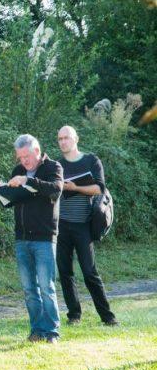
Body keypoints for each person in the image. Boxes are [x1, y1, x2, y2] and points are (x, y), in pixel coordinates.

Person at [56, 126, 118, 326]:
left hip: (83, 225)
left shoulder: (91, 160)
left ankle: (108, 318)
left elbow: (99, 188)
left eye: (66, 138)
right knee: (65, 272)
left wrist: (76, 188)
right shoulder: (57, 165)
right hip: (61, 225)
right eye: (60, 139)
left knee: (90, 273)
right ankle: (74, 315)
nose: (63, 142)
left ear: (76, 139)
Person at [5, 134, 63, 344]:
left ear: (37, 151)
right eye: (20, 157)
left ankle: (52, 332)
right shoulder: (18, 171)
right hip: (21, 237)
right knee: (29, 289)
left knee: (47, 287)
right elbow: (12, 202)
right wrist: (4, 190)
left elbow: (56, 189)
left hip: (44, 237)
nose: (24, 161)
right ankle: (37, 330)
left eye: (27, 156)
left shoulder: (53, 167)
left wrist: (28, 180)